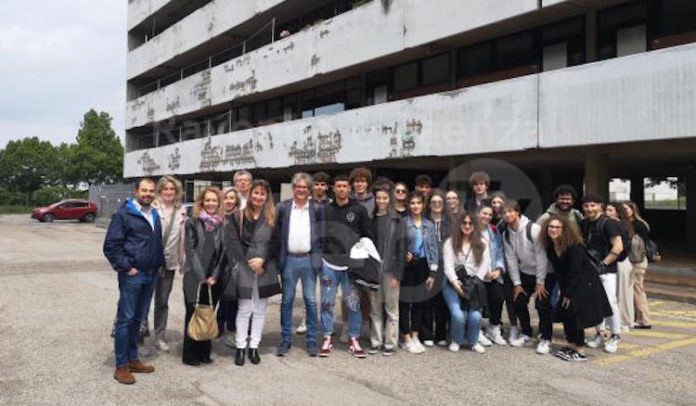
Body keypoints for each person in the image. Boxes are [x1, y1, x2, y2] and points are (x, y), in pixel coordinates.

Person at [104, 178, 164, 385]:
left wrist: (159, 264)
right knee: (126, 319)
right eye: (144, 190)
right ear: (136, 191)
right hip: (133, 275)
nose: (147, 194)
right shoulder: (124, 214)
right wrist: (127, 268)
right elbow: (111, 246)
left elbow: (156, 243)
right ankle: (121, 366)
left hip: (151, 274)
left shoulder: (154, 214)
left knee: (138, 319)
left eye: (151, 191)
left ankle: (132, 359)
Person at [540, 215, 611, 362]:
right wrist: (563, 291)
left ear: (564, 230)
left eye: (557, 227)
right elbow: (560, 272)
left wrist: (568, 294)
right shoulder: (551, 247)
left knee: (575, 316)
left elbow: (575, 272)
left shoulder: (573, 247)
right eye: (551, 227)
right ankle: (571, 345)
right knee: (566, 314)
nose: (553, 229)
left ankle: (580, 350)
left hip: (584, 284)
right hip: (568, 284)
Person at [319, 174, 373, 358]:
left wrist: (362, 259)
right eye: (338, 186)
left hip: (352, 267)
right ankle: (327, 337)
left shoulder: (358, 210)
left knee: (353, 304)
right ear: (333, 189)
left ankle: (354, 339)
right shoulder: (326, 210)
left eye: (344, 186)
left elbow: (367, 236)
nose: (341, 189)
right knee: (327, 303)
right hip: (329, 264)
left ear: (349, 188)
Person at [233, 179, 280, 366]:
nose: (259, 196)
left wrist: (263, 261)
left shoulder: (273, 216)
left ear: (267, 196)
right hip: (245, 267)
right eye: (256, 192)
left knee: (260, 310)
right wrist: (249, 262)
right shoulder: (239, 215)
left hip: (265, 267)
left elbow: (276, 242)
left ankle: (254, 347)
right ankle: (240, 347)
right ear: (250, 193)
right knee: (244, 309)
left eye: (262, 193)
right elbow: (233, 242)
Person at [276, 173, 324, 357]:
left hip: (309, 260)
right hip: (289, 259)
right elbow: (276, 233)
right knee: (287, 300)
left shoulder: (317, 209)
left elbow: (323, 234)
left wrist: (319, 257)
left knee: (310, 300)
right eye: (298, 186)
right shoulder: (283, 207)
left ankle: (311, 340)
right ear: (293, 188)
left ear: (309, 189)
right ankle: (286, 339)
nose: (301, 190)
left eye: (305, 187)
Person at [502, 199, 555, 355]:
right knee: (518, 301)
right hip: (526, 272)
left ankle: (545, 338)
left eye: (510, 211)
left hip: (546, 273)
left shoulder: (533, 229)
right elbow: (511, 259)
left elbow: (541, 255)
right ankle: (526, 333)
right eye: (504, 213)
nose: (507, 215)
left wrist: (540, 281)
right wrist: (517, 283)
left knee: (542, 305)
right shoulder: (506, 234)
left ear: (518, 212)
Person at [182, 187, 225, 367]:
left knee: (208, 313)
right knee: (193, 313)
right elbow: (190, 250)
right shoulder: (192, 222)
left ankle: (204, 352)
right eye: (207, 200)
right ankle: (190, 354)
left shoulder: (222, 224)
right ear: (201, 202)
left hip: (213, 278)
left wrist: (214, 275)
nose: (211, 203)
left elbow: (223, 253)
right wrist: (202, 276)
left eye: (214, 200)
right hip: (194, 276)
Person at [442, 211, 490, 353]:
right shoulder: (450, 242)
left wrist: (474, 285)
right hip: (453, 283)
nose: (467, 226)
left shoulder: (483, 243)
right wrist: (456, 285)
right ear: (459, 225)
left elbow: (484, 265)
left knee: (475, 316)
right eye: (464, 223)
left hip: (475, 283)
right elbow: (448, 266)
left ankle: (473, 341)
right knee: (458, 314)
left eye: (470, 223)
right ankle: (456, 340)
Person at [580, 194, 623, 354]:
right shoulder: (583, 223)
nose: (590, 209)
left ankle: (615, 335)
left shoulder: (609, 223)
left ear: (600, 206)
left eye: (593, 205)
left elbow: (618, 247)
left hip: (606, 270)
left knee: (610, 302)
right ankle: (600, 333)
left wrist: (603, 264)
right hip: (589, 269)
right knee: (594, 303)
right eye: (586, 206)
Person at [368, 185, 406, 356]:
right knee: (375, 308)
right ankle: (376, 342)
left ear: (390, 199)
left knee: (392, 309)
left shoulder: (397, 220)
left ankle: (390, 343)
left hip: (391, 271)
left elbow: (402, 249)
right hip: (374, 270)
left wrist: (398, 275)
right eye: (378, 198)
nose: (381, 201)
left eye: (384, 198)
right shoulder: (371, 219)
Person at [151, 176, 187, 353]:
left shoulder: (181, 211)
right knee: (141, 300)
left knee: (162, 301)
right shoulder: (152, 208)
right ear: (160, 191)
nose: (169, 192)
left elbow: (183, 238)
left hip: (169, 263)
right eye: (165, 189)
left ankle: (159, 336)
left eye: (172, 189)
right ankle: (138, 334)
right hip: (149, 261)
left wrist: (182, 259)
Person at [400, 192, 439, 354]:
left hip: (423, 265)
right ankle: (406, 338)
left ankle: (415, 335)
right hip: (407, 266)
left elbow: (434, 249)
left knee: (418, 301)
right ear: (408, 205)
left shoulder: (429, 224)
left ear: (423, 205)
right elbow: (396, 245)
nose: (415, 206)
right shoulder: (403, 223)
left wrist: (433, 273)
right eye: (412, 203)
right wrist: (404, 253)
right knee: (404, 302)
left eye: (418, 203)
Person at [421, 189, 450, 348]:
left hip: (445, 266)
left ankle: (440, 334)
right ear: (429, 204)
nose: (437, 204)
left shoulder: (450, 222)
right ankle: (426, 334)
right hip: (427, 265)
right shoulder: (424, 222)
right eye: (433, 202)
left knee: (441, 301)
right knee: (427, 300)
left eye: (439, 202)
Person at [477, 204, 508, 345]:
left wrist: (499, 269)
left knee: (498, 298)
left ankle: (493, 329)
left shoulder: (494, 231)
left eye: (490, 214)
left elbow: (500, 252)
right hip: (477, 275)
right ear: (478, 214)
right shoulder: (470, 230)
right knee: (477, 303)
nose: (487, 217)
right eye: (484, 213)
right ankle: (476, 331)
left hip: (493, 274)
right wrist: (484, 271)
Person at [218, 187, 241, 349]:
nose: (229, 201)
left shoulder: (241, 217)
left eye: (232, 198)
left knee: (232, 299)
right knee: (218, 297)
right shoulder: (216, 217)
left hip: (234, 264)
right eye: (226, 198)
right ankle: (217, 327)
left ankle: (231, 330)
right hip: (216, 264)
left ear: (236, 201)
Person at [623, 201, 652, 329]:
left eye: (626, 209)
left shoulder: (638, 224)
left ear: (632, 210)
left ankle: (644, 320)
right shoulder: (627, 223)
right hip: (636, 260)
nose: (624, 212)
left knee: (637, 290)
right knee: (636, 290)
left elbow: (639, 244)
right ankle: (638, 318)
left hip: (637, 261)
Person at [606, 202, 635, 331]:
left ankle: (624, 322)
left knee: (622, 294)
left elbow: (624, 247)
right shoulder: (612, 224)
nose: (607, 212)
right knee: (616, 294)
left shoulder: (620, 226)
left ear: (618, 212)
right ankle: (617, 321)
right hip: (618, 262)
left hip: (621, 262)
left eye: (610, 210)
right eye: (606, 210)